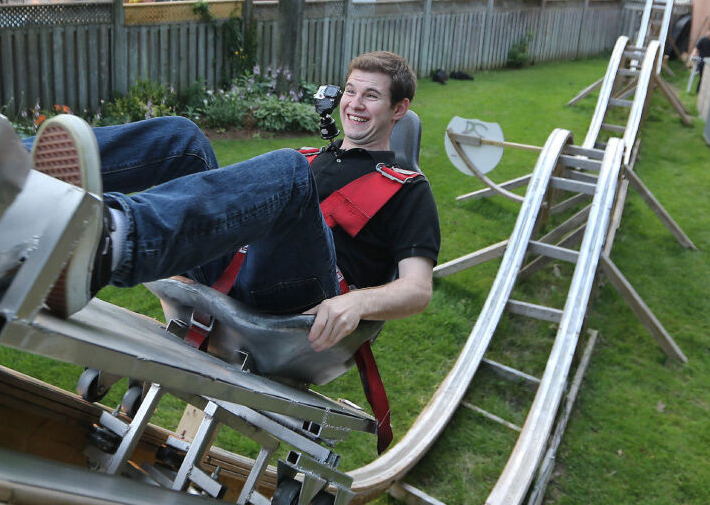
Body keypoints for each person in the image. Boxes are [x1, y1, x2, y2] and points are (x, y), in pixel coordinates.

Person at [26, 51, 440, 353]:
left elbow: (418, 290)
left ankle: (111, 243)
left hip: (302, 296)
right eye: (350, 91)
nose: (354, 104)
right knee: (183, 139)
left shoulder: (409, 189)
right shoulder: (314, 157)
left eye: (371, 96)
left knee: (288, 168)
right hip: (239, 262)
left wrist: (358, 302)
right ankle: (19, 174)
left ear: (399, 109)